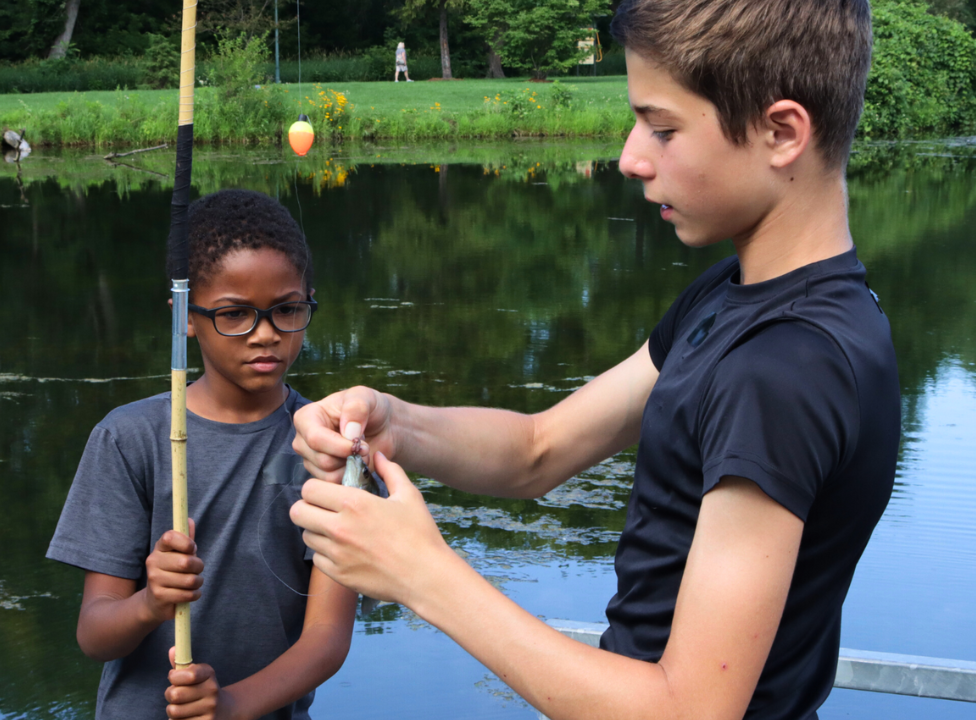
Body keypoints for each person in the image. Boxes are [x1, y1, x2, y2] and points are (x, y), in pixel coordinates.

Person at [289, 1, 900, 719]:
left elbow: (690, 711)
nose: (630, 157)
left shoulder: (783, 369)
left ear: (781, 132)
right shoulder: (742, 300)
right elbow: (539, 450)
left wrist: (423, 576)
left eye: (663, 128)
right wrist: (395, 424)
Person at [48, 189, 357, 720]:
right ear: (185, 318)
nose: (265, 335)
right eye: (234, 315)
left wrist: (230, 706)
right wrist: (151, 603)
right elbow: (94, 636)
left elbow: (327, 640)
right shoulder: (130, 440)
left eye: (287, 309)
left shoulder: (331, 447)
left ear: (309, 299)